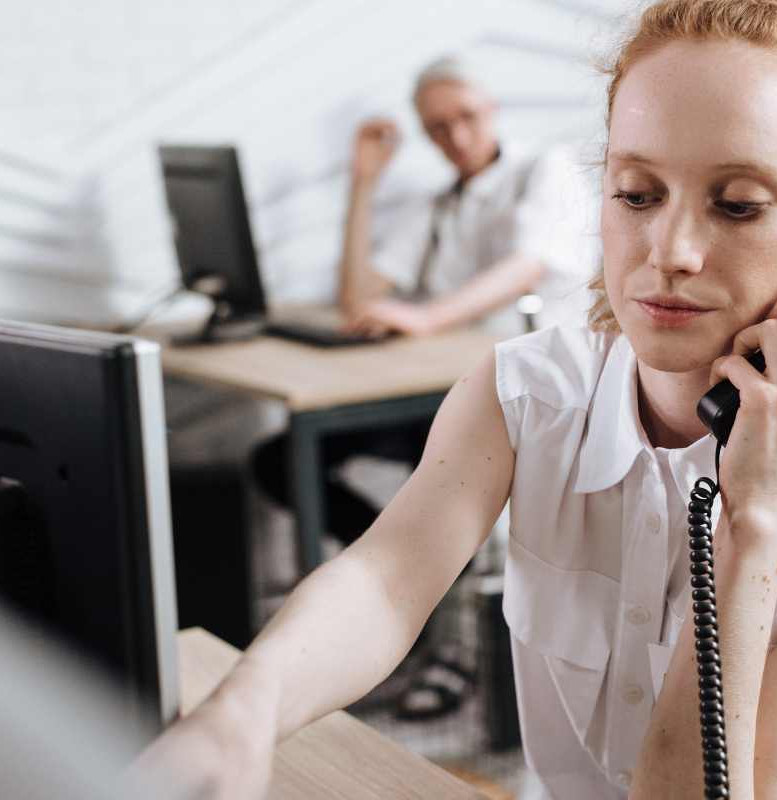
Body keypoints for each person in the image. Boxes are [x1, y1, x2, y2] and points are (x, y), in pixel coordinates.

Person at [135, 1, 777, 797]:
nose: (670, 250)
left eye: (737, 206)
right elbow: (388, 581)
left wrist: (754, 523)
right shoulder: (526, 393)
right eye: (636, 193)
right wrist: (240, 714)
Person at [252, 54, 593, 718]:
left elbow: (526, 267)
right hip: (440, 392)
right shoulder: (438, 203)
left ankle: (439, 621)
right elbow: (358, 294)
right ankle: (416, 592)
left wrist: (428, 315)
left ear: (491, 106)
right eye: (437, 128)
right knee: (279, 462)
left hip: (523, 395)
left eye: (465, 117)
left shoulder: (544, 171)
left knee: (442, 475)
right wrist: (363, 184)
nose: (456, 136)